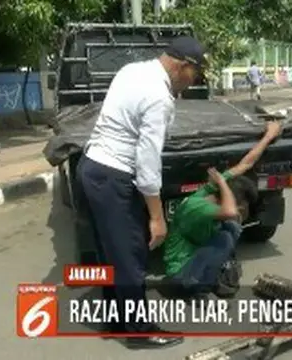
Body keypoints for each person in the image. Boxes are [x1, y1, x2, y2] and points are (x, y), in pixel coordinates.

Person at [76, 36, 206, 348]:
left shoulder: (131, 70)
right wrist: (157, 218)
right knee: (131, 254)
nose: (192, 84)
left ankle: (115, 319)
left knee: (109, 252)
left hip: (91, 167)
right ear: (183, 66)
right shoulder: (158, 97)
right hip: (114, 177)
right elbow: (147, 166)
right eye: (195, 75)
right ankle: (138, 330)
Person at [163, 120, 283, 299]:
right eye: (241, 208)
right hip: (180, 276)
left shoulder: (213, 190)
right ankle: (198, 289)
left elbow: (245, 164)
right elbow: (230, 212)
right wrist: (221, 183)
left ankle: (214, 273)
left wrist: (268, 136)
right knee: (228, 235)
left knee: (231, 228)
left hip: (195, 256)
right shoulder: (198, 207)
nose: (242, 213)